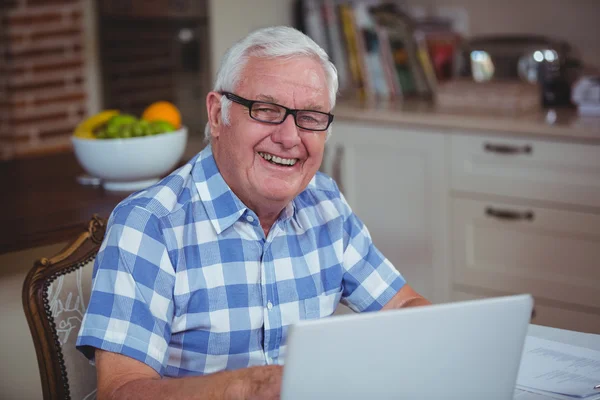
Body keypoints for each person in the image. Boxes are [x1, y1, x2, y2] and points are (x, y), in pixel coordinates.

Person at [76, 26, 431, 400]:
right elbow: (120, 392)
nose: (289, 137)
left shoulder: (324, 201)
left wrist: (436, 339)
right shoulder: (149, 226)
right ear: (217, 114)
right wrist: (248, 387)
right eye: (266, 110)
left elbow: (404, 305)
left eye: (310, 116)